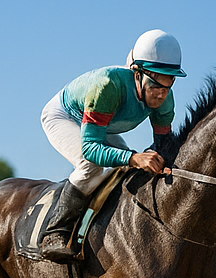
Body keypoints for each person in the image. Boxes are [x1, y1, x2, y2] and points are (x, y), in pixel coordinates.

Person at [36, 29, 185, 263]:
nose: (161, 94)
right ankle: (54, 233)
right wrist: (134, 157)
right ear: (137, 73)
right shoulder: (108, 86)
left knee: (124, 168)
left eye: (169, 82)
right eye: (156, 82)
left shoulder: (166, 99)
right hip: (65, 116)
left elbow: (163, 145)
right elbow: (90, 149)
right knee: (91, 166)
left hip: (100, 123)